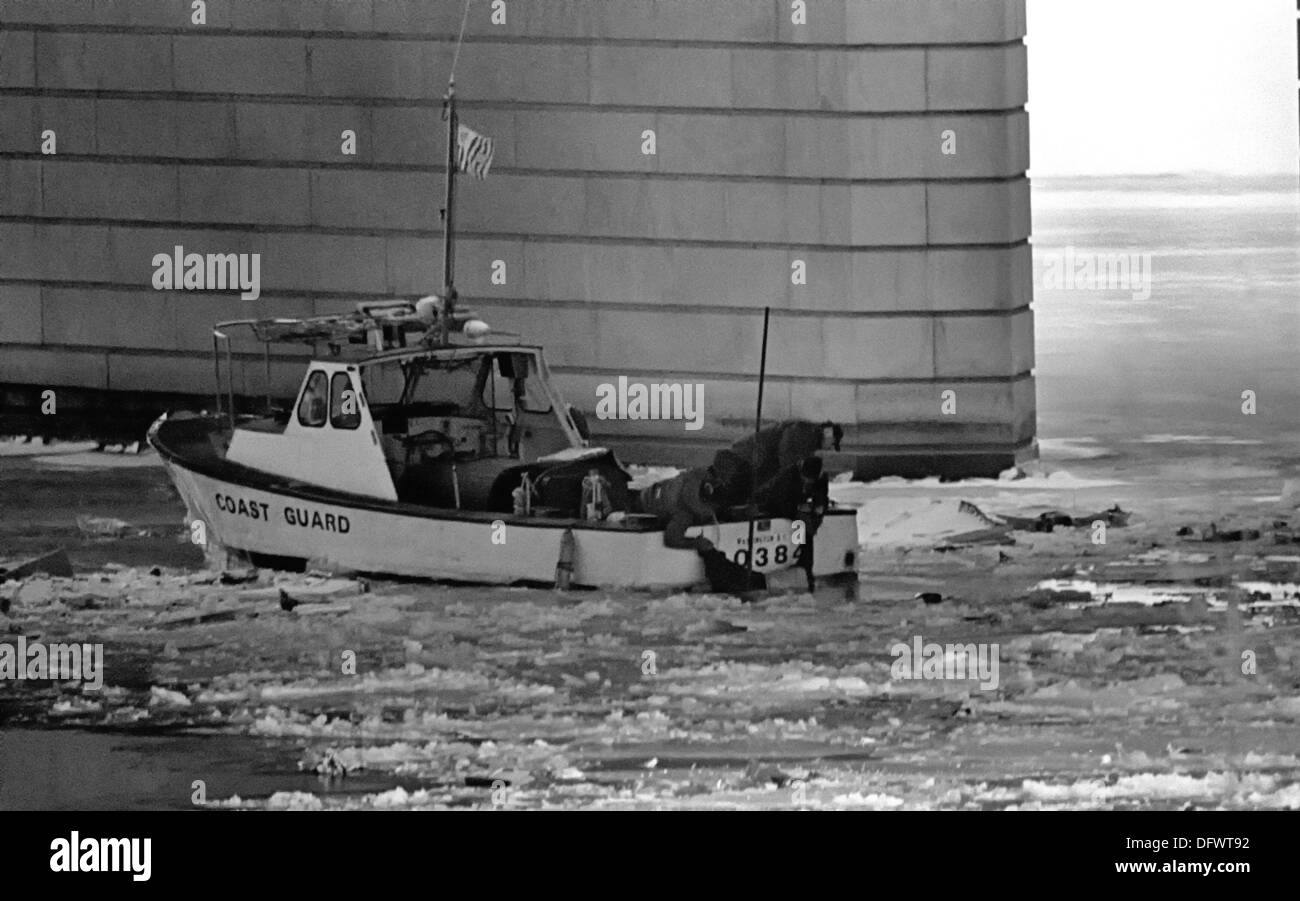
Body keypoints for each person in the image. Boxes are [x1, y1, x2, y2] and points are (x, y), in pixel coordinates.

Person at [639, 449, 751, 551]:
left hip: (652, 492)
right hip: (645, 505)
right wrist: (696, 543)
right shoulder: (685, 514)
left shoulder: (698, 475)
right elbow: (671, 538)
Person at [730, 420, 843, 490]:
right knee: (738, 483)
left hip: (759, 458)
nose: (829, 447)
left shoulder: (811, 443)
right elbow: (785, 444)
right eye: (832, 443)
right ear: (828, 434)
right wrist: (784, 470)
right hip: (754, 452)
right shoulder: (808, 432)